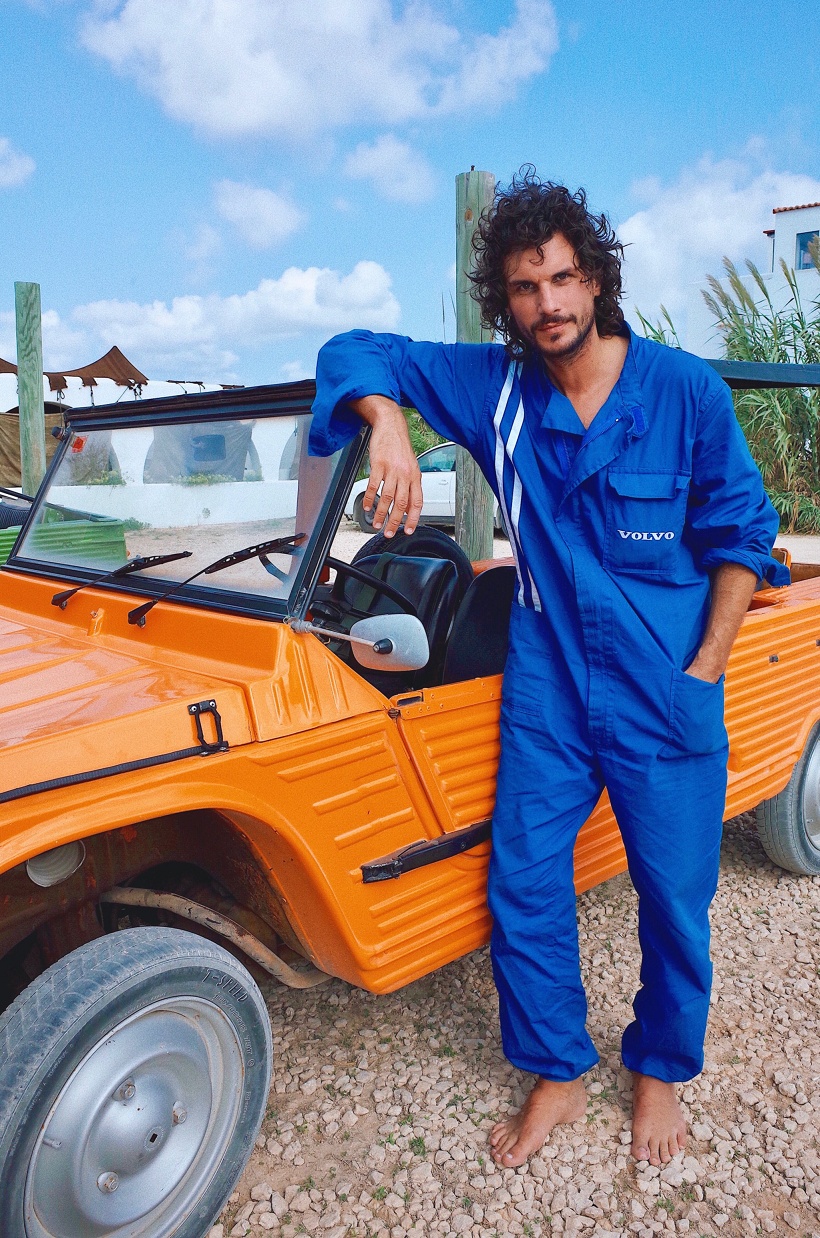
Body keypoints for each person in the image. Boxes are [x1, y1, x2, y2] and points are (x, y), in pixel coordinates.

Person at [309, 171, 787, 1170]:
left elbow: (743, 532)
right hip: (552, 690)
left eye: (564, 278)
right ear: (506, 300)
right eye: (526, 288)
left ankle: (658, 1064)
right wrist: (390, 421)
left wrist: (703, 667)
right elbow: (353, 349)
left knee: (675, 892)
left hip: (666, 685)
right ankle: (559, 1068)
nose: (550, 304)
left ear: (595, 276)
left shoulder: (682, 390)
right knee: (523, 880)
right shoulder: (496, 389)